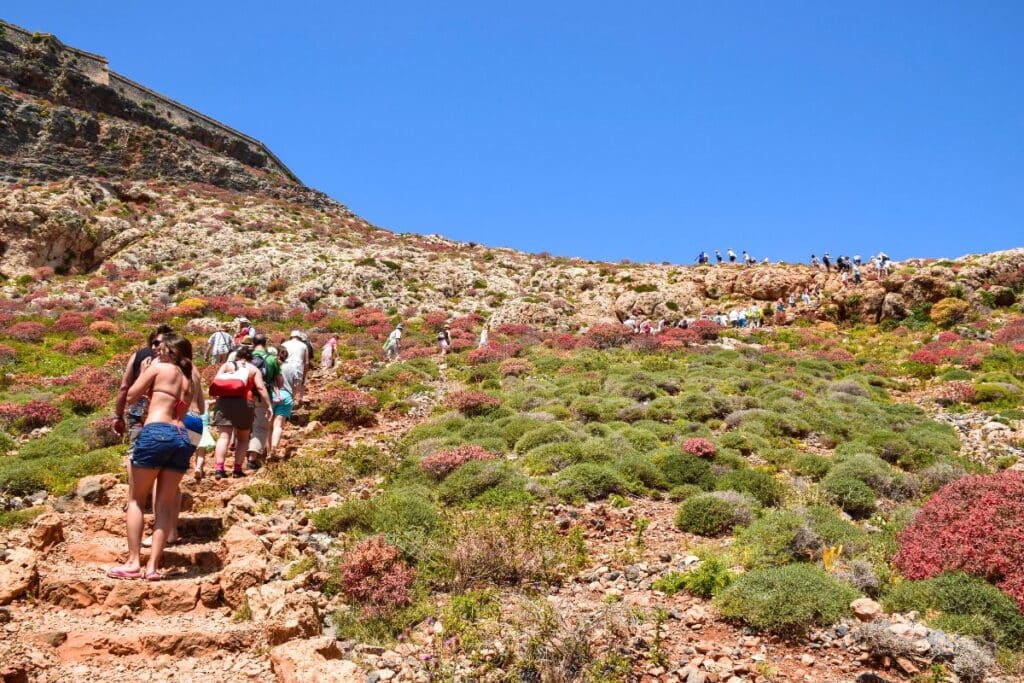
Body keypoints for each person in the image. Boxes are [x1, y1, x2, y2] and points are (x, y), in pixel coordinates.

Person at [107, 334, 195, 581]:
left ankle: (133, 562)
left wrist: (146, 372)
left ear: (169, 351)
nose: (156, 351)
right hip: (181, 437)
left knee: (136, 499)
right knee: (165, 506)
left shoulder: (159, 367)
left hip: (156, 431)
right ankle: (153, 567)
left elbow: (132, 395)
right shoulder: (189, 379)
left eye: (161, 348)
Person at [211, 346, 271, 479]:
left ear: (237, 356)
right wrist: (268, 406)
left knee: (223, 437)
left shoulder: (227, 365)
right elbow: (260, 388)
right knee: (243, 439)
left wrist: (217, 399)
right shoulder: (253, 369)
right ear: (251, 358)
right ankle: (237, 469)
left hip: (224, 402)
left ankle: (219, 469)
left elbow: (215, 381)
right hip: (245, 403)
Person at [247, 335, 280, 470]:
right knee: (260, 427)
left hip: (244, 396)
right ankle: (252, 459)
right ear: (265, 343)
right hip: (262, 397)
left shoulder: (245, 357)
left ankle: (238, 456)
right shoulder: (271, 359)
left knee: (244, 426)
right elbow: (280, 382)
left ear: (253, 343)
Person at [267, 345, 293, 461]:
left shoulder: (269, 363)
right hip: (286, 396)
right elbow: (296, 384)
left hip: (271, 395)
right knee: (278, 426)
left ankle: (267, 452)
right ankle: (274, 448)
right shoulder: (291, 366)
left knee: (268, 427)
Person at [281, 330, 310, 407]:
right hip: (298, 367)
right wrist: (305, 374)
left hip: (284, 367)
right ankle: (291, 405)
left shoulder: (284, 344)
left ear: (291, 336)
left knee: (285, 387)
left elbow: (280, 357)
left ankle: (285, 406)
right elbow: (306, 362)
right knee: (295, 388)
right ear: (299, 337)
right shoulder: (303, 345)